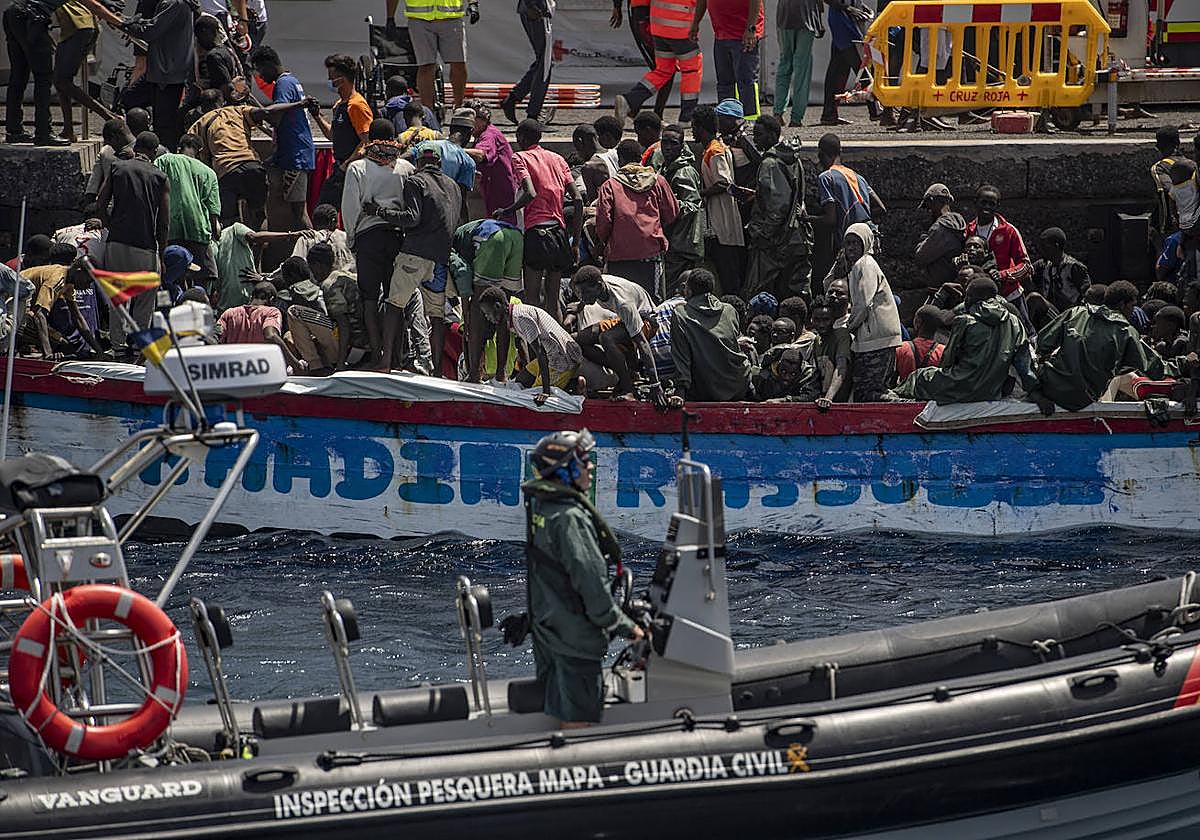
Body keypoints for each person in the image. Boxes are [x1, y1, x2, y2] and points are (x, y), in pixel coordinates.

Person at [520, 429, 643, 728]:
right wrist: (627, 627)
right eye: (583, 460)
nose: (590, 467)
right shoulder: (570, 518)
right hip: (574, 640)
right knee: (577, 722)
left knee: (558, 711)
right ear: (566, 470)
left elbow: (547, 574)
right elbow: (590, 583)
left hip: (549, 631)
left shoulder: (541, 508)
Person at [369, 142, 461, 374]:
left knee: (394, 305)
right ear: (439, 163)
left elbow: (411, 218)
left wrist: (380, 212)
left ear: (419, 163)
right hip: (440, 260)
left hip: (414, 255)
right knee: (436, 315)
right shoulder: (454, 186)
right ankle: (438, 371)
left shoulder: (415, 181)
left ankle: (386, 362)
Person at [1033, 280, 1172, 412]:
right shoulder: (1126, 332)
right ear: (1122, 305)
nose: (1133, 310)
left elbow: (1043, 343)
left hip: (1051, 388)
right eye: (1132, 306)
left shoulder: (1076, 312)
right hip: (1082, 400)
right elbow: (1155, 368)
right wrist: (1184, 364)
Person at [895, 273, 1034, 405]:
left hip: (961, 387)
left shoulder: (964, 321)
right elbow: (1024, 364)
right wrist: (1036, 392)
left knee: (919, 377)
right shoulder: (1015, 322)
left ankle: (893, 399)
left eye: (968, 296)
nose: (965, 300)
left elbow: (947, 362)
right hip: (993, 390)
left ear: (977, 297)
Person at [342, 120, 415, 365]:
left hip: (368, 238)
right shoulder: (405, 167)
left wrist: (351, 239)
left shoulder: (357, 168)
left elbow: (350, 208)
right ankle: (396, 356)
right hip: (397, 236)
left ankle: (377, 354)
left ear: (369, 139)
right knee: (396, 299)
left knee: (370, 299)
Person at [496, 119, 582, 323]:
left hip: (536, 234)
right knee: (553, 300)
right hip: (559, 234)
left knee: (532, 298)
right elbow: (577, 199)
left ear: (520, 138)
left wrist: (507, 210)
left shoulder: (519, 158)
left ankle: (537, 351)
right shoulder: (558, 159)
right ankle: (560, 348)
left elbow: (530, 192)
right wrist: (576, 243)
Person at [4, 0, 119, 146]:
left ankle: (14, 131)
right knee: (44, 77)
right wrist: (120, 22)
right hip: (32, 16)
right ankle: (43, 132)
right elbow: (94, 5)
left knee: (19, 74)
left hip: (14, 11)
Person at [96, 130, 169, 356]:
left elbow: (100, 202)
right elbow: (164, 222)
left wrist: (110, 226)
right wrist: (161, 253)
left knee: (117, 298)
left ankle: (117, 347)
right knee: (145, 301)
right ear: (154, 152)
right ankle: (139, 347)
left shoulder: (117, 168)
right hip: (145, 247)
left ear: (136, 148)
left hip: (116, 244)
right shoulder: (160, 177)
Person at [478, 286, 611, 402]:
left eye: (487, 314)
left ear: (497, 306)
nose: (488, 318)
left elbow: (540, 353)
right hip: (551, 355)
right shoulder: (515, 313)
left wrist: (545, 391)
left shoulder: (520, 318)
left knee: (532, 395)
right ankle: (565, 384)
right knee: (521, 381)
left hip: (561, 361)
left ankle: (574, 384)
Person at [595, 139, 679, 301]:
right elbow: (672, 213)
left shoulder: (609, 186)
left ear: (620, 160)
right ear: (641, 158)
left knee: (621, 303)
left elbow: (603, 222)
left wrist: (604, 243)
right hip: (651, 253)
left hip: (619, 255)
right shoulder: (658, 181)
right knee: (652, 302)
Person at [571, 266, 667, 406]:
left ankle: (628, 388)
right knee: (577, 340)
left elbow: (642, 343)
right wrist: (580, 306)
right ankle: (626, 373)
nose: (583, 297)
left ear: (598, 286)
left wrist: (655, 385)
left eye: (585, 293)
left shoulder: (623, 303)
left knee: (606, 338)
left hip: (646, 321)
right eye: (580, 293)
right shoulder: (598, 283)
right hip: (623, 320)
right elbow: (585, 296)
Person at [744, 115, 813, 301]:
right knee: (796, 290)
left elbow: (778, 206)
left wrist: (763, 234)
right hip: (797, 236)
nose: (755, 139)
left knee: (758, 291)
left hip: (775, 241)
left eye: (759, 134)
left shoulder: (770, 163)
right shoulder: (793, 158)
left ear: (773, 135)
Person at [251, 46, 316, 235]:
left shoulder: (283, 84)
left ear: (268, 64)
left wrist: (256, 112)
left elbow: (276, 117)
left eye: (260, 70)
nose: (261, 77)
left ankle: (317, 245)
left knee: (299, 211)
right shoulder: (291, 80)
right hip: (290, 153)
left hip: (295, 155)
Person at [612, 0, 703, 127]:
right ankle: (686, 117)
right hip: (679, 26)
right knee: (692, 69)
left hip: (658, 26)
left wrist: (617, 5)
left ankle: (629, 100)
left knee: (663, 70)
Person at [455, 219, 525, 382]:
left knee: (477, 312)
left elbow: (462, 274)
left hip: (493, 237)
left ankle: (473, 373)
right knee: (503, 312)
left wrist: (466, 312)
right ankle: (501, 374)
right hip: (515, 237)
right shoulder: (464, 233)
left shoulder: (451, 248)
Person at [120, 0, 195, 150]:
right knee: (129, 99)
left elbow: (150, 30)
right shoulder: (169, 3)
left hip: (169, 76)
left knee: (165, 127)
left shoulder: (175, 3)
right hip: (160, 72)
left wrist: (126, 23)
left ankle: (163, 156)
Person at [188, 88, 268, 227]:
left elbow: (191, 153)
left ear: (202, 107)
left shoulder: (199, 124)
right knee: (259, 214)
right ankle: (259, 245)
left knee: (227, 220)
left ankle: (232, 245)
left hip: (226, 171)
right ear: (222, 102)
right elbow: (263, 113)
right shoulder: (237, 111)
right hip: (252, 165)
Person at [670, 268, 752, 400]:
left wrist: (680, 390)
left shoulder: (681, 313)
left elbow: (681, 355)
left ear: (688, 290)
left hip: (705, 389)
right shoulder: (729, 310)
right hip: (738, 384)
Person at [843, 223, 901, 401]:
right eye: (848, 243)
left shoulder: (865, 264)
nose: (851, 247)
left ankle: (899, 407)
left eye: (856, 243)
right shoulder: (856, 266)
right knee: (869, 388)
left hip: (876, 337)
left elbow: (863, 303)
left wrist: (849, 327)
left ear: (866, 244)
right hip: (874, 337)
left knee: (869, 389)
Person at [692, 105, 745, 297]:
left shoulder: (714, 151)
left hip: (722, 224)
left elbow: (723, 182)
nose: (692, 131)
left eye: (693, 127)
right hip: (721, 222)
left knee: (728, 277)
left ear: (700, 127)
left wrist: (700, 194)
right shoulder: (715, 148)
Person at [154, 134, 222, 281]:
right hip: (198, 232)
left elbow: (154, 187)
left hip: (170, 230)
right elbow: (214, 218)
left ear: (179, 149)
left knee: (170, 275)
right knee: (204, 277)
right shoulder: (209, 173)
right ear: (201, 151)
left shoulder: (164, 160)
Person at [387, 0, 476, 112]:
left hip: (451, 18)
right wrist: (390, 17)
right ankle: (427, 110)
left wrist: (473, 3)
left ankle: (459, 106)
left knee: (459, 64)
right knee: (426, 66)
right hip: (419, 19)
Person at [310, 54, 373, 207]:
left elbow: (367, 141)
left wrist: (347, 165)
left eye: (331, 78)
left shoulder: (356, 105)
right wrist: (317, 116)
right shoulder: (339, 105)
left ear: (342, 80)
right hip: (340, 166)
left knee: (326, 205)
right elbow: (333, 136)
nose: (329, 81)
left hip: (351, 169)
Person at [816, 133, 884, 266]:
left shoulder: (826, 177)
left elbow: (831, 219)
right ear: (840, 152)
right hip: (869, 235)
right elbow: (881, 208)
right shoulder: (857, 176)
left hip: (851, 240)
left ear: (820, 154)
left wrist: (807, 218)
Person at [22, 248, 101, 359]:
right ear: (78, 271)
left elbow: (78, 318)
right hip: (11, 303)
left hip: (22, 305)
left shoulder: (68, 281)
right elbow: (39, 315)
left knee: (64, 344)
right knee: (54, 341)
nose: (88, 286)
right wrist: (48, 354)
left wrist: (99, 351)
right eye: (88, 281)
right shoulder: (57, 279)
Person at [689, 0, 763, 119]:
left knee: (746, 81)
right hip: (721, 34)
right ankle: (726, 120)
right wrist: (695, 23)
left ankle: (751, 121)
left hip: (743, 36)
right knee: (724, 83)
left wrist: (751, 29)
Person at [965, 184, 1031, 315]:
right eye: (984, 202)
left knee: (1026, 333)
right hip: (979, 297)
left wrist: (1003, 275)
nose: (987, 207)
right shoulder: (968, 230)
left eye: (992, 204)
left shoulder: (1008, 231)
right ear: (975, 202)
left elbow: (1026, 265)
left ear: (997, 206)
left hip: (1010, 295)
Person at [54, 0, 115, 142]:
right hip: (81, 26)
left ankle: (109, 116)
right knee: (61, 81)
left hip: (76, 27)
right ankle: (68, 130)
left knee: (62, 81)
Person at [305, 242, 370, 371]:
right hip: (370, 343)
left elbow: (343, 325)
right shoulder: (346, 276)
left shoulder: (330, 285)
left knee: (296, 312)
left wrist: (340, 363)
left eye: (311, 267)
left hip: (357, 347)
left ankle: (319, 367)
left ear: (318, 265)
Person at [216, 280, 307, 370]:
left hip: (234, 370)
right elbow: (270, 336)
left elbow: (216, 337)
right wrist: (297, 365)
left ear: (251, 297)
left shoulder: (229, 313)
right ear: (272, 300)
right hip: (261, 371)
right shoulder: (272, 312)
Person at [657, 124, 705, 289]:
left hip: (682, 243)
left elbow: (693, 205)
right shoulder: (666, 167)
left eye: (673, 143)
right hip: (673, 240)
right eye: (665, 142)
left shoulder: (684, 172)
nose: (668, 147)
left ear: (682, 145)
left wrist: (668, 202)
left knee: (675, 288)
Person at [501, 0, 555, 124]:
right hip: (537, 8)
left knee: (544, 61)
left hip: (535, 8)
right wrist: (531, 5)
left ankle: (514, 98)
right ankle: (532, 114)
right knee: (544, 63)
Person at [464, 101, 518, 224]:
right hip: (493, 191)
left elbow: (481, 154)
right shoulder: (481, 135)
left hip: (503, 194)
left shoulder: (489, 135)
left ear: (483, 120)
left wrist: (455, 149)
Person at [773, 0, 823, 127]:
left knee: (785, 65)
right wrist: (819, 21)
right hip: (806, 17)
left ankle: (778, 113)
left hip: (785, 15)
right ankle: (796, 118)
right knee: (802, 70)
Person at [820, 0, 868, 126]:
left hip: (847, 19)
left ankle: (829, 114)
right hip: (843, 21)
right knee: (861, 67)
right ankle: (878, 109)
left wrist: (860, 7)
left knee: (839, 69)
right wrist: (848, 8)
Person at [914, 182, 966, 287]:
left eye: (926, 207)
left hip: (941, 288)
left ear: (931, 202)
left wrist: (924, 237)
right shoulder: (961, 223)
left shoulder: (940, 227)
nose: (927, 211)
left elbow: (920, 257)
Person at [1032, 226, 1090, 312]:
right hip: (1051, 313)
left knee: (1035, 297)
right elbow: (1027, 272)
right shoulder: (1043, 265)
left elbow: (1087, 294)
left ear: (1056, 246)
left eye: (1045, 246)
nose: (1042, 250)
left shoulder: (1074, 267)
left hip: (1071, 313)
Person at [812, 286, 852, 407]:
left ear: (833, 319)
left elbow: (841, 367)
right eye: (817, 320)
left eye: (826, 320)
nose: (821, 324)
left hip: (840, 404)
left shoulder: (841, 335)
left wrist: (828, 398)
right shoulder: (816, 341)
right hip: (821, 402)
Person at [292, 204, 354, 273]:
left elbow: (295, 263)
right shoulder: (347, 237)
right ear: (334, 221)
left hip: (314, 283)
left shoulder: (307, 238)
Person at [894, 304, 947, 382]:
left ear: (918, 322)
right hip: (931, 393)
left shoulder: (901, 348)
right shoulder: (944, 352)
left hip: (904, 393)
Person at [1151, 126, 1181, 238]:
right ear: (1179, 142)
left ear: (1157, 146)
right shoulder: (1192, 164)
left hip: (1174, 229)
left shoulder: (1159, 168)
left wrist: (1164, 230)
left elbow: (1165, 194)